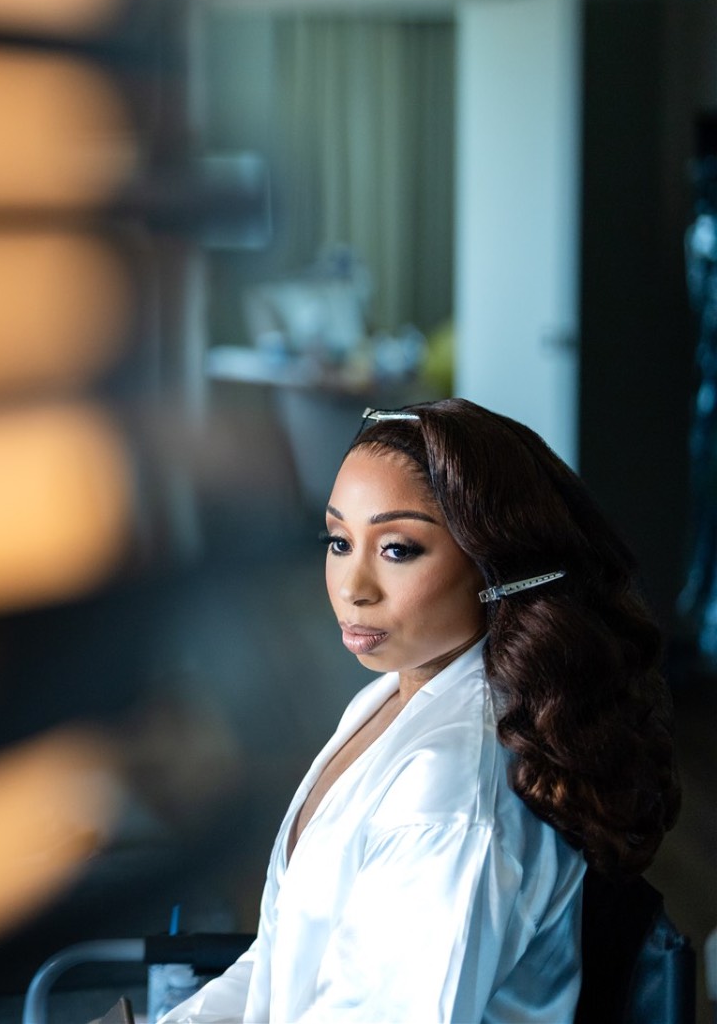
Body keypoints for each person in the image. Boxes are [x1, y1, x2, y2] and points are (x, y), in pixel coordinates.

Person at [159, 398, 679, 1023]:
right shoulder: (392, 694)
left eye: (398, 549)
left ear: (494, 563)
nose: (353, 588)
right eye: (339, 541)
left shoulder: (448, 793)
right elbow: (282, 958)